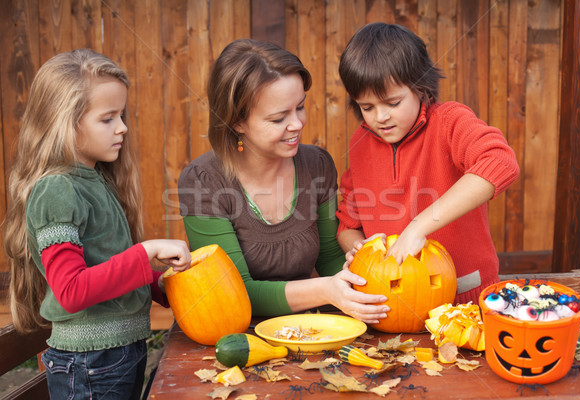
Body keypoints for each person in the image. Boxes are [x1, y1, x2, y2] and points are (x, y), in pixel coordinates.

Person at [3, 49, 191, 400]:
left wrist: (160, 284)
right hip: (91, 362)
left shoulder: (94, 179)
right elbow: (72, 290)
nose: (122, 128)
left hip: (115, 355)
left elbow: (105, 264)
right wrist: (146, 251)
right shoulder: (57, 189)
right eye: (107, 119)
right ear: (64, 122)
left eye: (121, 115)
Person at [178, 38, 389, 323]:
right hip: (235, 337)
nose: (298, 124)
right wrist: (324, 290)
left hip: (314, 329)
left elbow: (329, 259)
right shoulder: (202, 181)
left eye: (299, 107)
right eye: (279, 118)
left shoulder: (317, 165)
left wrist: (372, 267)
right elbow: (232, 291)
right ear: (237, 122)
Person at [336, 23, 520, 305]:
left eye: (392, 103)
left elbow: (500, 162)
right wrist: (362, 253)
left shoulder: (449, 122)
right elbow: (348, 222)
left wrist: (418, 226)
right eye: (367, 107)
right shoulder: (361, 141)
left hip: (464, 297)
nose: (380, 117)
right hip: (390, 302)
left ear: (420, 87)